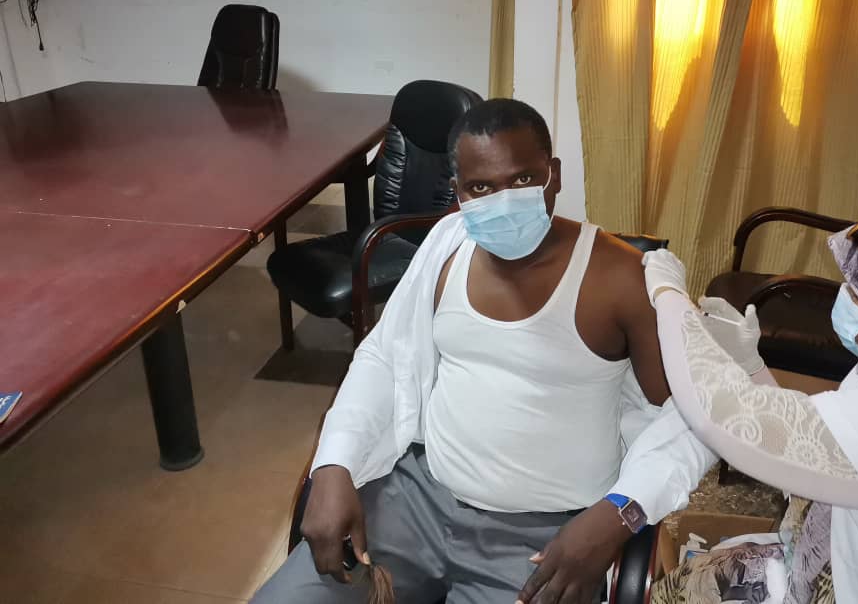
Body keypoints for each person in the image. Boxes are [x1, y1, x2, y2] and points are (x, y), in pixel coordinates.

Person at [253, 99, 715, 604]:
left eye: (522, 180)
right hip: (416, 501)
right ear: (458, 193)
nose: (503, 201)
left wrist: (617, 515)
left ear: (554, 175)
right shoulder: (447, 244)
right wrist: (333, 464)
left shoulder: (621, 277)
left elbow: (693, 415)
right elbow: (384, 356)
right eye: (481, 188)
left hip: (545, 540)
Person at [643, 201, 858, 603]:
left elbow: (726, 418)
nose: (846, 297)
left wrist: (668, 294)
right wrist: (750, 365)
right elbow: (820, 449)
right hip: (842, 554)